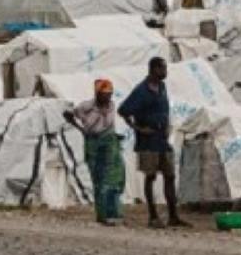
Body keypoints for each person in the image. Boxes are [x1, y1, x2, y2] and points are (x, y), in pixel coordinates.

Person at [118, 57, 188, 229]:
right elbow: (123, 110)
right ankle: (153, 216)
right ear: (154, 69)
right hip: (148, 140)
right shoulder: (141, 91)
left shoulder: (162, 87)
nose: (165, 72)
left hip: (162, 139)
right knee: (150, 176)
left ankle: (173, 215)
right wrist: (139, 129)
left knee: (170, 176)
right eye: (162, 68)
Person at [65, 79, 126, 225]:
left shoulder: (111, 105)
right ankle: (103, 215)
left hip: (110, 141)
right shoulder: (87, 106)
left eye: (109, 94)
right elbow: (68, 114)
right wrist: (81, 129)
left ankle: (115, 213)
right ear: (97, 94)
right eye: (104, 94)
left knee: (114, 178)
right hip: (93, 142)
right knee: (99, 178)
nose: (108, 97)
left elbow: (109, 124)